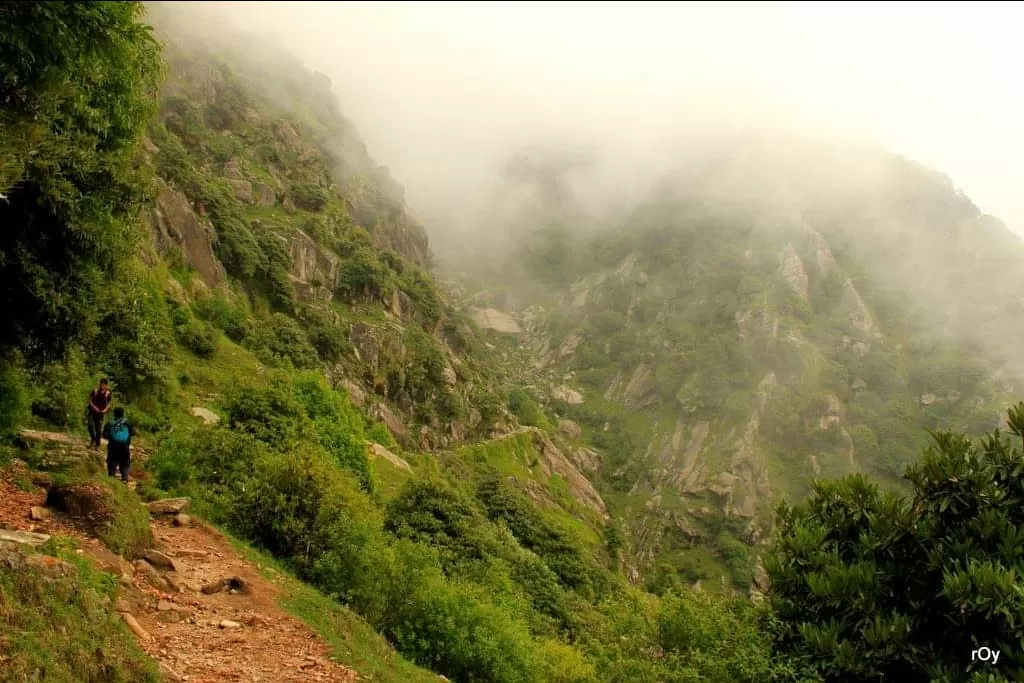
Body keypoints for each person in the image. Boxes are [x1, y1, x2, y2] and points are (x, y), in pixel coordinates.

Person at [102, 407, 136, 483]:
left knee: (111, 461)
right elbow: (133, 433)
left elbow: (104, 434)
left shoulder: (110, 423)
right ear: (123, 414)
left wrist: (111, 437)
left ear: (114, 414)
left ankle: (111, 477)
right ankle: (124, 478)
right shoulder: (127, 423)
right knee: (125, 463)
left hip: (112, 446)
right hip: (125, 446)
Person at [86, 378, 113, 449]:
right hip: (92, 411)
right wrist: (94, 407)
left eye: (103, 385)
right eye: (101, 384)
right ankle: (93, 439)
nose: (102, 386)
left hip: (101, 413)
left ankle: (97, 445)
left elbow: (109, 403)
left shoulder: (108, 393)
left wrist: (105, 409)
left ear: (106, 385)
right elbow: (89, 400)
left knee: (98, 430)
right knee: (90, 425)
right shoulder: (95, 391)